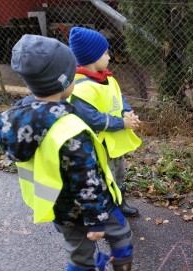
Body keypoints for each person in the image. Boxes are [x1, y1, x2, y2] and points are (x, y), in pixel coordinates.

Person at [0, 35, 143, 271]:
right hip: (92, 207)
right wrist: (96, 220)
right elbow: (86, 181)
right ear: (65, 81)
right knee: (120, 233)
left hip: (56, 206)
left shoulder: (19, 117)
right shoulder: (70, 128)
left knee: (79, 252)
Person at [68, 26, 142, 217]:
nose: (109, 57)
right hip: (98, 145)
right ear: (93, 57)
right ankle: (108, 208)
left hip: (114, 141)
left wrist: (128, 112)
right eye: (106, 53)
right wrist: (122, 123)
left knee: (119, 172)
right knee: (105, 175)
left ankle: (120, 201)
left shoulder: (107, 78)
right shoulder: (80, 88)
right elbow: (93, 119)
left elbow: (119, 97)